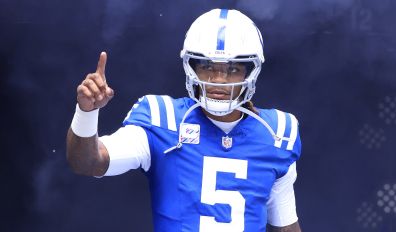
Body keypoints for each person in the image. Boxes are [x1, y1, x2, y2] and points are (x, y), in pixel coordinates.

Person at [67, 8, 302, 232]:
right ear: (191, 67)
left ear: (251, 71)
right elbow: (88, 162)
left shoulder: (277, 133)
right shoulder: (162, 118)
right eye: (207, 66)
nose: (218, 80)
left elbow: (285, 224)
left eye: (232, 69)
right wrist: (86, 112)